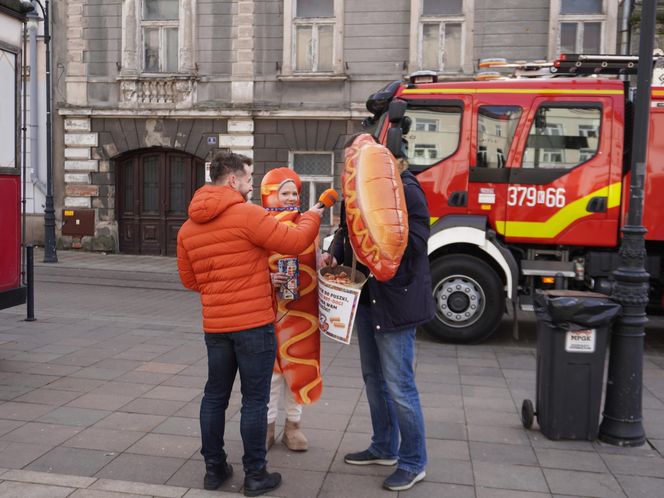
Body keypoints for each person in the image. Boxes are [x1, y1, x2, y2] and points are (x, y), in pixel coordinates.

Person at [177, 151, 323, 497]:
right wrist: (313, 217)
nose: (250, 185)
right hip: (254, 325)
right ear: (232, 180)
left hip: (215, 327)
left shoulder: (188, 226)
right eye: (247, 179)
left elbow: (190, 280)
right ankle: (255, 475)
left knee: (214, 397)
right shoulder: (246, 214)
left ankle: (214, 470)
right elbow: (295, 242)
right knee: (255, 400)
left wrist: (236, 282)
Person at [324, 154, 433, 492]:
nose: (349, 170)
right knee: (373, 379)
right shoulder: (354, 191)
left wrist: (374, 237)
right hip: (366, 297)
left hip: (397, 301)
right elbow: (345, 232)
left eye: (353, 163)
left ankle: (414, 462)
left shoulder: (407, 190)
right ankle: (384, 447)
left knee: (400, 385)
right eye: (347, 165)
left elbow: (416, 243)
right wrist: (336, 255)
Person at [260, 168, 323, 452]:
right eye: (284, 192)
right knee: (271, 372)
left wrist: (324, 262)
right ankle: (268, 424)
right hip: (270, 308)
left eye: (295, 192)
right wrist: (267, 278)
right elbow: (249, 265)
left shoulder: (308, 224)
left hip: (302, 310)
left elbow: (316, 257)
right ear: (269, 193)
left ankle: (293, 426)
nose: (290, 198)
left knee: (299, 367)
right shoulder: (258, 224)